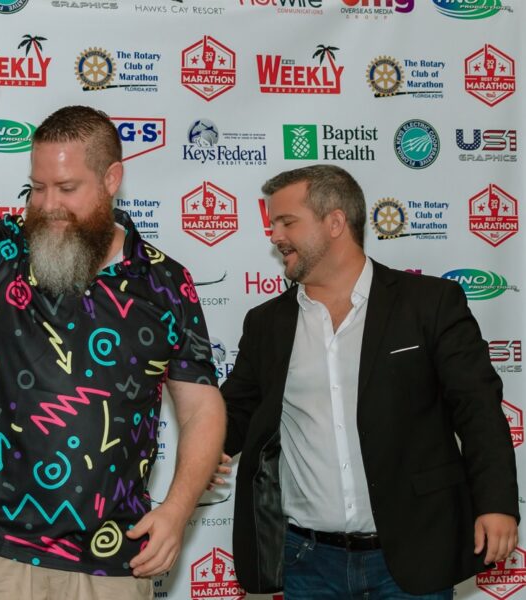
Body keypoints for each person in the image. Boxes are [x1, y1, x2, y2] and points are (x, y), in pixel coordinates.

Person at [0, 80, 225, 600]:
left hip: (114, 561)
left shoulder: (165, 283)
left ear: (112, 178)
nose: (48, 205)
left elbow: (203, 409)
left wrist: (177, 510)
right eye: (38, 186)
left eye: (67, 188)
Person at [214, 165, 518, 598]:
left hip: (413, 554)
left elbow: (478, 410)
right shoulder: (266, 324)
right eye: (272, 223)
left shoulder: (429, 304)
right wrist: (203, 449)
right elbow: (237, 411)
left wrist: (497, 504)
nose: (275, 235)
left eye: (286, 222)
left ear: (335, 222)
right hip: (307, 561)